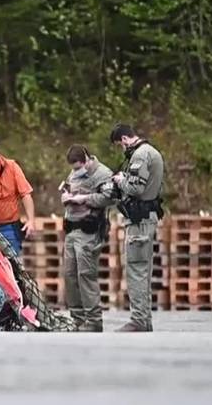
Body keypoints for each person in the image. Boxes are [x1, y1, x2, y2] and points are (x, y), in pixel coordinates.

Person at [110, 123, 165, 333]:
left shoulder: (141, 155)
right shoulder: (152, 152)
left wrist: (121, 180)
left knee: (136, 270)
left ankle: (139, 320)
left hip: (139, 222)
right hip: (146, 219)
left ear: (124, 139)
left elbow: (136, 187)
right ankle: (144, 320)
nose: (121, 149)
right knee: (143, 270)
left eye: (119, 145)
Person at [60, 145, 114, 332]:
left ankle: (93, 319)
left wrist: (83, 199)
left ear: (86, 160)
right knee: (69, 274)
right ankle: (77, 318)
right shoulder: (73, 173)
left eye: (78, 167)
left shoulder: (102, 174)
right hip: (71, 229)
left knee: (85, 274)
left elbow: (109, 197)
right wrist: (67, 197)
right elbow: (69, 188)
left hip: (88, 231)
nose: (75, 171)